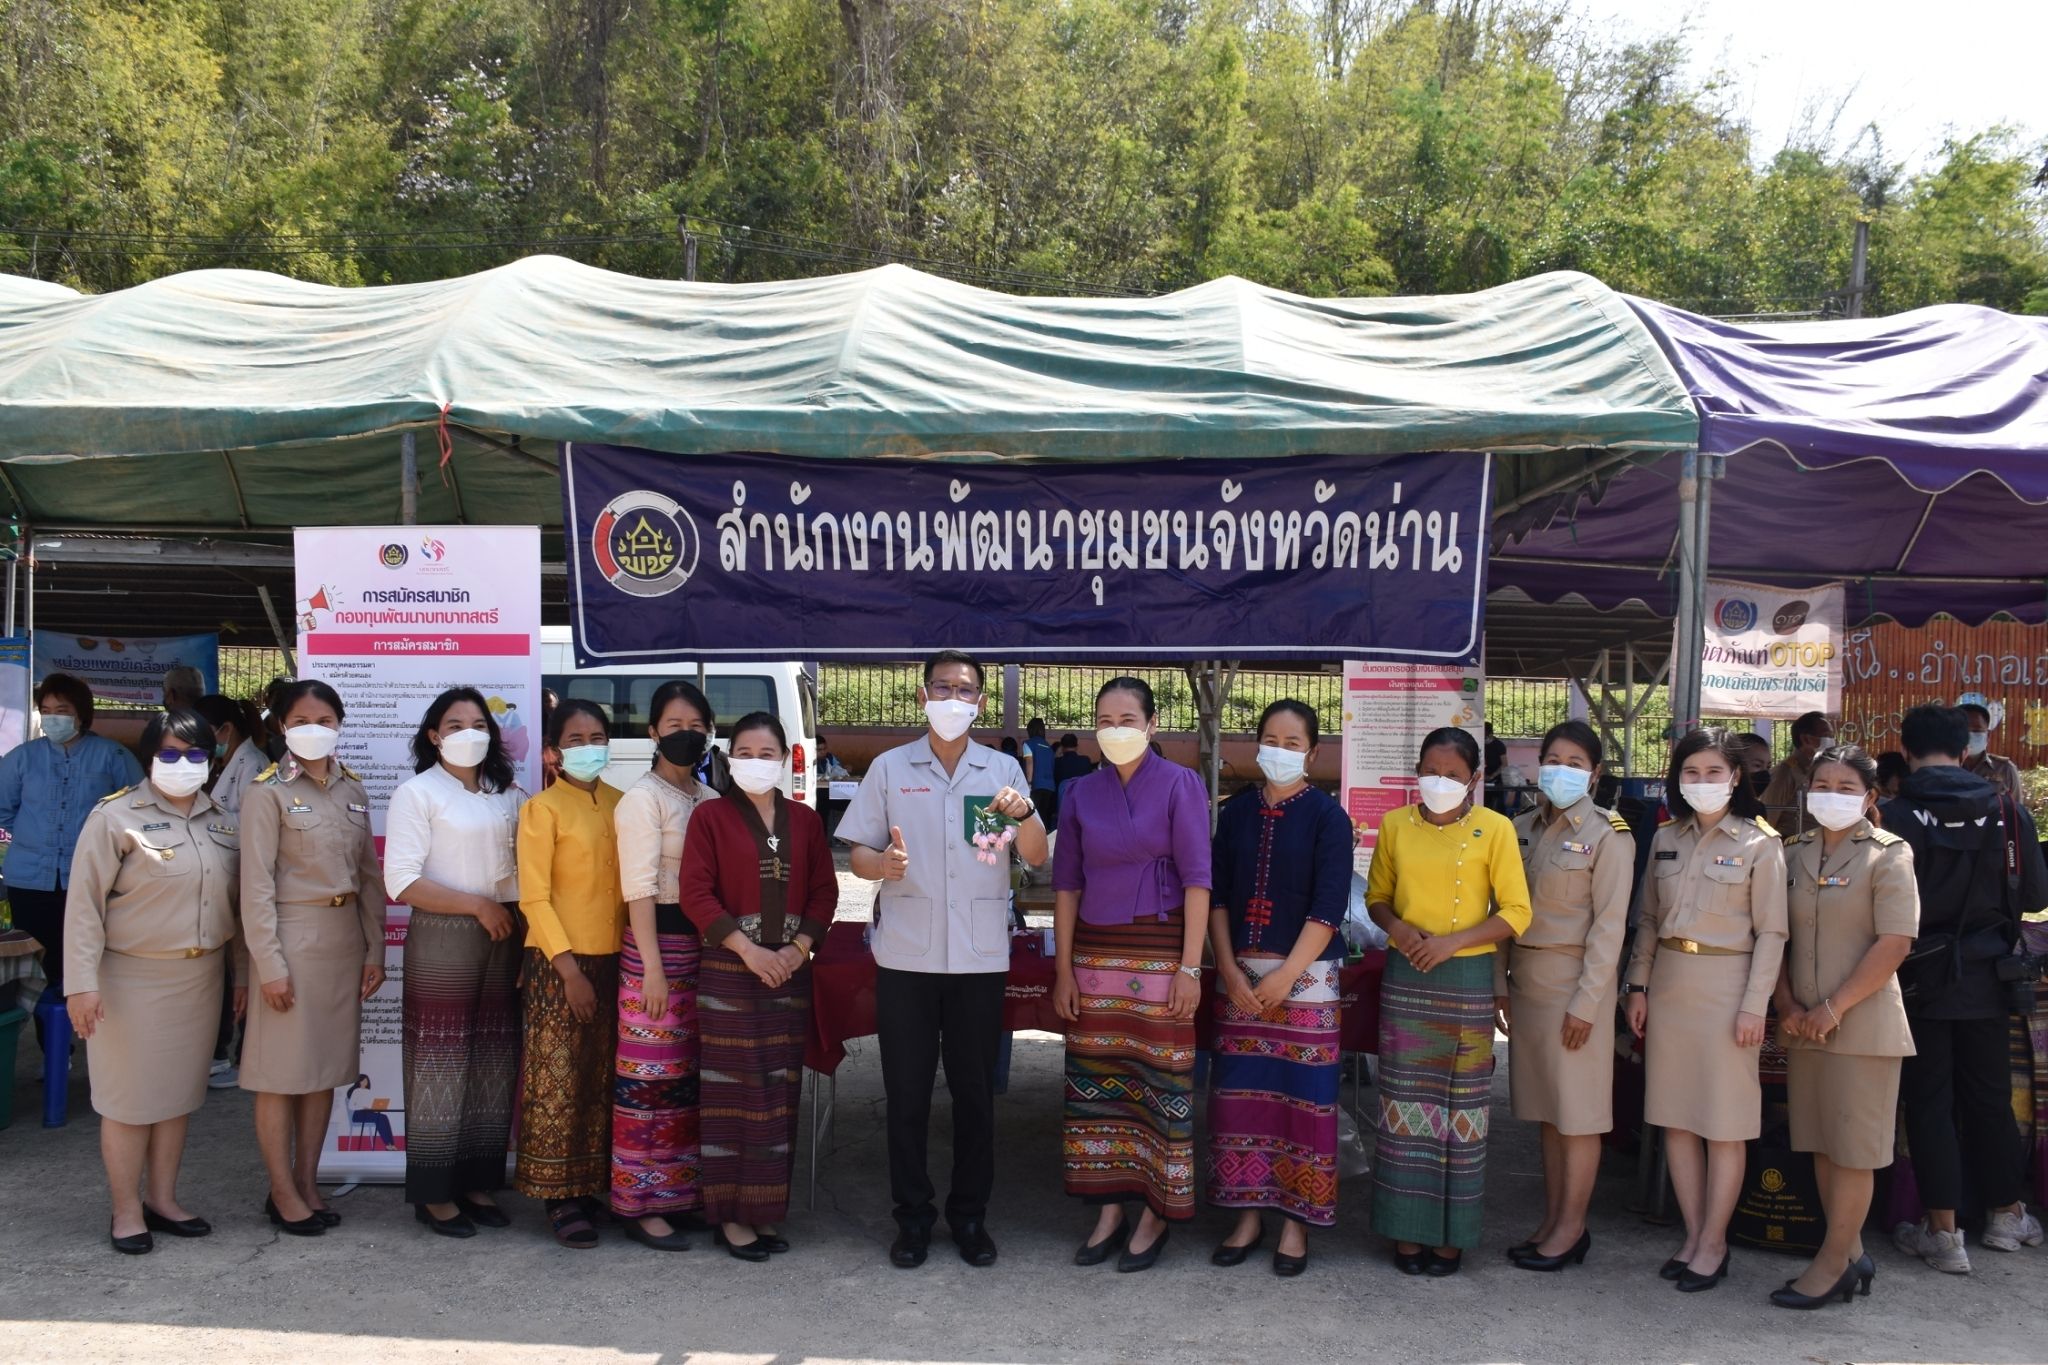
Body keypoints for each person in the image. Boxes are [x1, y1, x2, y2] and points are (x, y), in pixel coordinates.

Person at [838, 650, 1047, 1270]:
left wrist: (1026, 812)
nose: (953, 698)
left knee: (975, 1097)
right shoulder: (890, 767)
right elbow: (858, 853)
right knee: (905, 1096)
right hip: (907, 956)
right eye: (942, 687)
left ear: (980, 702)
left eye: (965, 689)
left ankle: (970, 1216)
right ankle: (912, 1219)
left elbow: (1036, 855)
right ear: (922, 696)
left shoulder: (1002, 769)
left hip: (979, 961)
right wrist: (882, 865)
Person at [63, 708, 243, 1254]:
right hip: (130, 978)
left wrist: (240, 979)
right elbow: (84, 908)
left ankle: (163, 1200)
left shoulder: (222, 820)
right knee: (129, 1101)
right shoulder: (115, 817)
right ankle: (125, 1211)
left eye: (195, 753)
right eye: (168, 753)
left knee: (176, 1096)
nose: (182, 763)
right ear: (148, 758)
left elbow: (238, 909)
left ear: (212, 759)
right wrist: (80, 984)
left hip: (200, 977)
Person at [1052, 676, 1211, 1273]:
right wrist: (1063, 969)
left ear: (1151, 725)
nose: (1115, 730)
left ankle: (1156, 1211)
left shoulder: (1180, 783)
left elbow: (1199, 880)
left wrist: (1190, 967)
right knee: (1100, 1079)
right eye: (1104, 720)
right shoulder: (1079, 792)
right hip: (1095, 953)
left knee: (1159, 1082)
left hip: (1161, 948)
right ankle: (1109, 1207)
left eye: (1127, 719)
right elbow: (1066, 885)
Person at [1882, 703, 2048, 1273]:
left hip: (1915, 976)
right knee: (1988, 1097)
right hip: (1989, 975)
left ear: (1906, 750)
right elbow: (2034, 897)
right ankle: (2005, 1215)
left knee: (1929, 1102)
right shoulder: (2007, 811)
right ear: (1965, 750)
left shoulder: (1894, 816)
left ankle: (1943, 1232)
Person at [1623, 727, 1788, 1292]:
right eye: (1691, 772)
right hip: (1671, 984)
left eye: (1714, 772)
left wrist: (1754, 1006)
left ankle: (1715, 1242)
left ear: (1736, 777)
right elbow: (1648, 920)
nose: (1702, 782)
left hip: (1728, 986)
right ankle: (1694, 1235)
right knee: (1675, 1118)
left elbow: (1772, 933)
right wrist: (1637, 986)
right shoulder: (1667, 837)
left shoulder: (1761, 843)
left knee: (1723, 1126)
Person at [1365, 727, 1531, 1276]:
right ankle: (1406, 1233)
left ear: (1474, 779)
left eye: (1453, 774)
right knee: (1403, 1106)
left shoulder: (1496, 829)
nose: (1440, 782)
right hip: (1407, 977)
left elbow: (1517, 911)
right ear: (1417, 772)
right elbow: (1377, 898)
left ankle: (1451, 1237)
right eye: (1431, 772)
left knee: (1462, 1111)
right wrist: (1400, 929)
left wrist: (1453, 943)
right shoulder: (1395, 825)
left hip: (1466, 981)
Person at [678, 711, 839, 1259]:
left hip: (788, 975)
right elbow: (695, 893)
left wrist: (797, 949)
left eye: (766, 753)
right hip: (730, 972)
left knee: (777, 1092)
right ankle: (729, 1215)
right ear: (728, 758)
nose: (755, 762)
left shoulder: (806, 821)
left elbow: (824, 891)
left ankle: (764, 1209)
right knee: (732, 1092)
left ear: (785, 758)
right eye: (744, 753)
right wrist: (748, 951)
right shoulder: (710, 818)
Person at [1769, 743, 1918, 1308]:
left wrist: (1833, 1009)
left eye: (1846, 788)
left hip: (1861, 1027)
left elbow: (1895, 942)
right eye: (1822, 786)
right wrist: (1787, 1004)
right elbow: (1776, 938)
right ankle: (1851, 1255)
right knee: (1822, 1145)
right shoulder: (1793, 853)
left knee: (1854, 1150)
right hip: (1804, 1027)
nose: (1831, 796)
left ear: (1870, 796)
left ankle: (1832, 1266)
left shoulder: (1888, 855)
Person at [1206, 699, 1350, 1276]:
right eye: (1271, 739)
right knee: (1240, 1098)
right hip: (1238, 980)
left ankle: (1296, 1222)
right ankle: (1247, 1216)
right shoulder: (1235, 813)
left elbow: (1329, 906)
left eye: (1293, 743)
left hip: (1306, 981)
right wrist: (1228, 969)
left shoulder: (1328, 818)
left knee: (1304, 1102)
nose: (1280, 750)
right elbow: (1216, 896)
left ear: (1312, 754)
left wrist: (1288, 974)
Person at [237, 679, 385, 1236]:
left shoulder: (353, 789)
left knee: (322, 1072)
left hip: (342, 942)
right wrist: (269, 966)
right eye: (301, 720)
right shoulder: (267, 793)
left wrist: (375, 949)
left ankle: (306, 1181)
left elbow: (369, 877)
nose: (314, 729)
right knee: (280, 1075)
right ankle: (281, 1191)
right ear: (281, 726)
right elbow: (254, 888)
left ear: (339, 725)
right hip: (291, 941)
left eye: (325, 720)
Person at [384, 686, 528, 1238]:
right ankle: (434, 1192)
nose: (469, 734)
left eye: (479, 724)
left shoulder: (508, 794)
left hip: (506, 933)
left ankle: (476, 1181)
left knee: (494, 1059)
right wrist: (475, 905)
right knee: (439, 1062)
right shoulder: (418, 793)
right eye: (455, 725)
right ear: (433, 736)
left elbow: (526, 872)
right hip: (445, 933)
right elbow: (402, 881)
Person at [1499, 721, 1632, 1273]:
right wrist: (1500, 983)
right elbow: (1502, 913)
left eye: (1575, 763)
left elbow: (1610, 928)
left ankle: (1572, 1228)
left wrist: (1588, 1003)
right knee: (1548, 1114)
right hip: (1528, 983)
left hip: (1576, 984)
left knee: (1578, 1115)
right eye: (1553, 759)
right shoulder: (1519, 828)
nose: (1561, 770)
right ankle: (1554, 1220)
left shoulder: (1609, 835)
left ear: (1595, 774)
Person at [515, 698, 626, 1249]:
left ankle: (587, 1185)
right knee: (557, 1081)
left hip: (616, 959)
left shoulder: (622, 804)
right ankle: (557, 1196)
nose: (588, 748)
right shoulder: (542, 810)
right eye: (575, 740)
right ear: (554, 752)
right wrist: (569, 971)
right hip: (560, 964)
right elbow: (533, 898)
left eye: (597, 737)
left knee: (600, 1079)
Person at [610, 680, 716, 1250]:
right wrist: (652, 967)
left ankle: (679, 1194)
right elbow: (640, 890)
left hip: (704, 950)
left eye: (696, 727)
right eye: (674, 726)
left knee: (687, 1081)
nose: (686, 735)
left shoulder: (708, 797)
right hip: (656, 949)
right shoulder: (642, 799)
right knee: (648, 1080)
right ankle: (639, 1203)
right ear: (653, 732)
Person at [0, 672, 145, 1045]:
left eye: (61, 710)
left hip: (94, 879)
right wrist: (34, 835)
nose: (53, 718)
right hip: (30, 880)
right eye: (46, 710)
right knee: (40, 968)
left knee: (89, 962)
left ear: (81, 713)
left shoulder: (112, 755)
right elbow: (3, 809)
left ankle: (96, 1042)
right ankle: (54, 1049)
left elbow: (138, 810)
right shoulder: (22, 758)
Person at [1760, 711, 1837, 838]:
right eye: (1826, 735)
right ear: (1806, 739)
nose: (1832, 741)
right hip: (1791, 847)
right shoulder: (1784, 774)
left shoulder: (1816, 771)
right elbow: (1767, 822)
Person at [195, 694, 269, 816]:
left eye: (203, 734)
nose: (198, 741)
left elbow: (256, 817)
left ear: (226, 729)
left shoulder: (255, 764)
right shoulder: (214, 762)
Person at [1956, 696, 2024, 801]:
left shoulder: (2005, 769)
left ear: (1988, 736)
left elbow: (2015, 808)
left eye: (1977, 730)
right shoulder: (1941, 769)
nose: (1970, 735)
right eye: (1963, 730)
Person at [1024, 717, 1059, 830]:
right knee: (1044, 817)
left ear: (1030, 730)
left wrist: (1029, 783)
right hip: (1050, 786)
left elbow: (1029, 762)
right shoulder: (1048, 746)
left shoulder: (1028, 744)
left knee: (1033, 817)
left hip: (1036, 785)